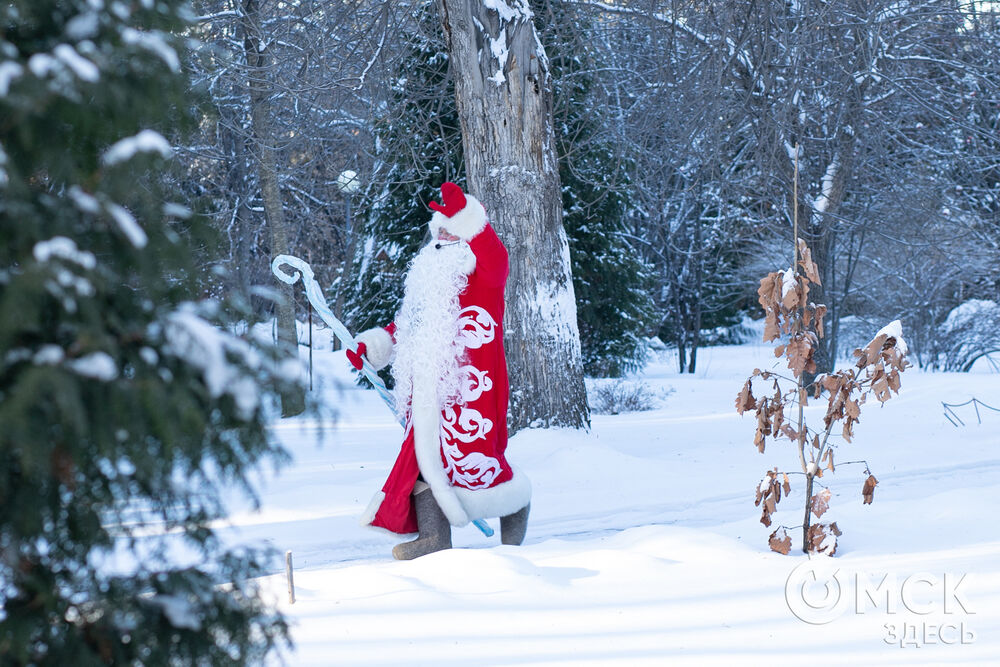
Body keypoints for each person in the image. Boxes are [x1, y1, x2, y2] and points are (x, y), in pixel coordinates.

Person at [348, 182, 531, 560]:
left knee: (477, 463)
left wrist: (468, 217)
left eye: (453, 231)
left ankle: (514, 512)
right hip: (429, 395)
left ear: (468, 237)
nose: (443, 236)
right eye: (440, 230)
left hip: (472, 391)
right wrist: (373, 347)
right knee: (420, 463)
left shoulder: (484, 276)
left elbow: (496, 257)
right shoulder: (430, 285)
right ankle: (436, 537)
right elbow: (407, 328)